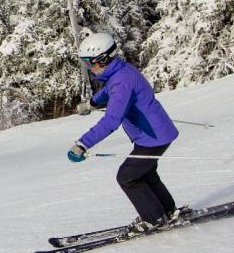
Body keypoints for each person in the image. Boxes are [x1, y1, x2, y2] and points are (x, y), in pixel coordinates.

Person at [67, 32, 181, 234]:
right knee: (145, 174)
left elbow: (112, 120)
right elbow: (109, 90)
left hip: (152, 137)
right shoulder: (119, 72)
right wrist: (92, 103)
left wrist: (83, 144)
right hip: (152, 133)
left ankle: (153, 218)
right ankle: (167, 211)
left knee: (127, 177)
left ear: (102, 59)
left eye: (89, 63)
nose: (88, 67)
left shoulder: (121, 80)